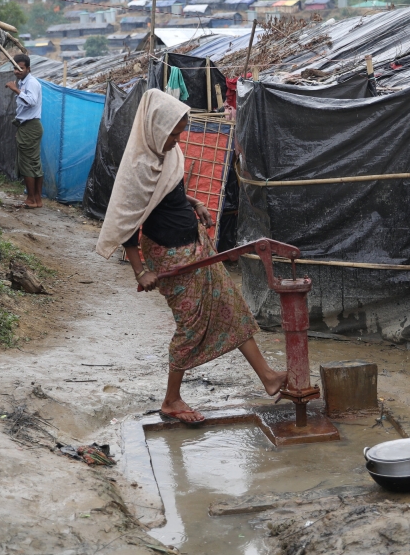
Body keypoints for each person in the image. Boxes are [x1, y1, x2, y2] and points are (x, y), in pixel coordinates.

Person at [95, 89, 286, 423]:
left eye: (180, 132)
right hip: (169, 255)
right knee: (191, 325)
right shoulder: (140, 167)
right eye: (173, 133)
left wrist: (194, 203)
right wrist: (140, 272)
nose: (177, 139)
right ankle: (171, 400)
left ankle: (269, 377)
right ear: (156, 128)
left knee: (231, 305)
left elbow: (171, 194)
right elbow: (126, 223)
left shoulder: (167, 155)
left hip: (196, 246)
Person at [5, 54, 43, 208]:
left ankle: (32, 199)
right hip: (27, 126)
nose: (17, 71)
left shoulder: (31, 83)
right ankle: (37, 199)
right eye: (15, 67)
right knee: (34, 163)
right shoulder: (23, 82)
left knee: (27, 164)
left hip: (31, 126)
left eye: (21, 68)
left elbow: (32, 101)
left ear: (28, 68)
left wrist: (16, 90)